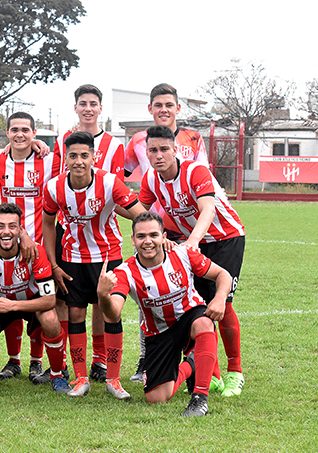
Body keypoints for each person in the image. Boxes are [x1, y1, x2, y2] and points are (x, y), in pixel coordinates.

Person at [139, 125, 246, 396]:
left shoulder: (195, 171)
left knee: (222, 302)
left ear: (175, 150)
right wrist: (159, 235)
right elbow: (140, 212)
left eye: (165, 149)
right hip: (190, 243)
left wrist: (193, 242)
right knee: (193, 308)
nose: (159, 154)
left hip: (224, 238)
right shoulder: (151, 179)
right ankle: (213, 375)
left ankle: (236, 372)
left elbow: (208, 208)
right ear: (147, 153)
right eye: (153, 150)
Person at [97, 211, 232, 416]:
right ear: (133, 240)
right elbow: (114, 312)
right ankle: (192, 364)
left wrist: (220, 298)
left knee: (205, 323)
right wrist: (103, 295)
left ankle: (199, 400)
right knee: (156, 398)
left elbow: (223, 274)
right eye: (141, 236)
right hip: (158, 333)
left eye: (153, 235)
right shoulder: (125, 272)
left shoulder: (184, 254)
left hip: (189, 317)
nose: (148, 241)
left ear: (163, 236)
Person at [42, 131, 144, 399]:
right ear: (66, 158)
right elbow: (47, 224)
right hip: (71, 259)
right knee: (75, 315)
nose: (78, 161)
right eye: (73, 155)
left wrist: (149, 240)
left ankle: (113, 379)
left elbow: (140, 214)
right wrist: (53, 264)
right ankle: (80, 379)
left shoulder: (110, 182)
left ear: (92, 157)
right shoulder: (54, 187)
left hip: (108, 257)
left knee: (110, 313)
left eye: (84, 155)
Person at [125, 83, 210, 382]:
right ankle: (146, 358)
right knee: (148, 292)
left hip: (186, 233)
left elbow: (202, 184)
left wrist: (194, 238)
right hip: (152, 230)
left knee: (192, 294)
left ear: (177, 108)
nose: (163, 110)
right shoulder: (138, 140)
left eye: (168, 105)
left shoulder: (193, 138)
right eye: (158, 105)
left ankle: (197, 359)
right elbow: (121, 177)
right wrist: (135, 211)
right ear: (150, 109)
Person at [49, 84, 126, 384]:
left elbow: (118, 193)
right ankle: (71, 365)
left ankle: (100, 360)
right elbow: (57, 177)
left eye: (93, 103)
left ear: (100, 108)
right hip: (71, 233)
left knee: (101, 301)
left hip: (104, 233)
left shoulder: (114, 145)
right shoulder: (61, 141)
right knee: (73, 303)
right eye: (83, 103)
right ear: (76, 107)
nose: (88, 108)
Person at [0, 111, 63, 382]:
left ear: (34, 133)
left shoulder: (48, 160)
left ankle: (36, 362)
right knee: (10, 294)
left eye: (26, 130)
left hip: (40, 245)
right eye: (14, 129)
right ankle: (14, 360)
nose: (20, 134)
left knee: (35, 302)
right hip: (7, 242)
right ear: (7, 133)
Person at [0, 203, 71, 393]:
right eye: (0, 226)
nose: (6, 232)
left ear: (20, 229)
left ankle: (57, 375)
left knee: (50, 318)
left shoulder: (36, 252)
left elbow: (50, 300)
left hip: (28, 303)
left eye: (12, 226)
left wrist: (12, 305)